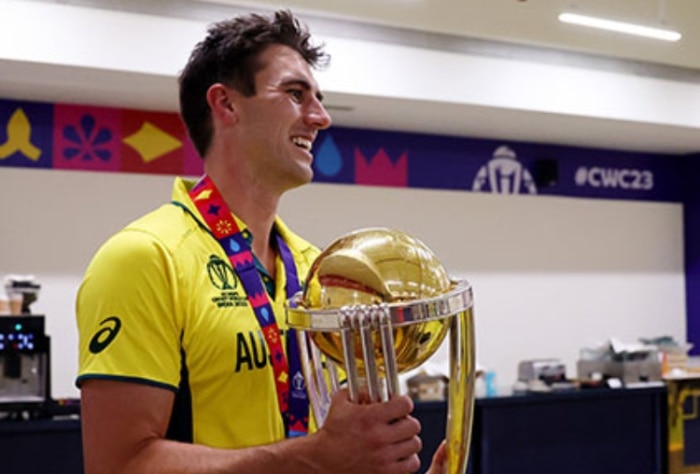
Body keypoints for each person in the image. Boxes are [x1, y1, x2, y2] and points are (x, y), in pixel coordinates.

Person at [76, 10, 447, 474]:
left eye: (318, 98)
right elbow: (118, 464)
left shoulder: (320, 270)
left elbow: (339, 450)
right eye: (295, 94)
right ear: (227, 105)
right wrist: (314, 456)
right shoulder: (145, 257)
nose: (321, 117)